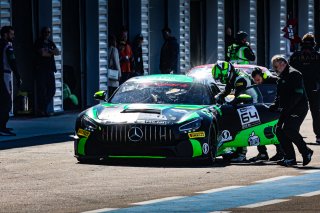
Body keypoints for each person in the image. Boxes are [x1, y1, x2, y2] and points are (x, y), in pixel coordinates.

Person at [269, 55, 313, 167]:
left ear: (283, 63)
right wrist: (274, 105)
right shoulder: (281, 76)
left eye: (276, 66)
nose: (275, 69)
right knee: (278, 130)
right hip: (287, 108)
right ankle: (290, 157)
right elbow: (279, 95)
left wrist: (288, 107)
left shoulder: (294, 74)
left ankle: (306, 151)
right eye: (274, 67)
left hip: (299, 107)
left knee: (289, 129)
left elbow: (298, 94)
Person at [212, 60, 254, 162]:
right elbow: (226, 91)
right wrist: (216, 97)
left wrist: (229, 104)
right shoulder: (233, 76)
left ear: (228, 72)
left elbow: (239, 98)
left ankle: (241, 154)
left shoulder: (240, 79)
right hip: (248, 104)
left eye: (223, 77)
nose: (222, 79)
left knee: (241, 126)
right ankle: (263, 153)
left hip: (254, 103)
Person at [289, 33, 320, 144]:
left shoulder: (295, 55)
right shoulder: (317, 55)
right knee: (316, 112)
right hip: (314, 88)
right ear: (313, 43)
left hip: (298, 87)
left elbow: (289, 71)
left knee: (295, 111)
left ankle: (293, 133)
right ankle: (319, 136)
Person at [249, 67, 284, 162]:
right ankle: (263, 153)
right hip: (261, 109)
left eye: (258, 80)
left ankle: (281, 152)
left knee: (274, 130)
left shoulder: (274, 80)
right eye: (255, 81)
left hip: (275, 109)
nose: (257, 82)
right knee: (257, 130)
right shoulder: (254, 85)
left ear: (262, 76)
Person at [0, 26, 21, 136]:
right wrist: (18, 76)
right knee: (6, 102)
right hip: (4, 75)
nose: (13, 36)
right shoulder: (8, 47)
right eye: (11, 34)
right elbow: (12, 62)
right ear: (5, 34)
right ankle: (2, 127)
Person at [34, 27, 60, 116]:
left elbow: (57, 52)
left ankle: (42, 108)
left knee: (52, 90)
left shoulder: (50, 42)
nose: (47, 34)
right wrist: (50, 51)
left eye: (49, 32)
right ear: (42, 33)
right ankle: (42, 110)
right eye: (46, 32)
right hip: (41, 70)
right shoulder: (39, 42)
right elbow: (42, 53)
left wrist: (49, 51)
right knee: (42, 90)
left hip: (50, 69)